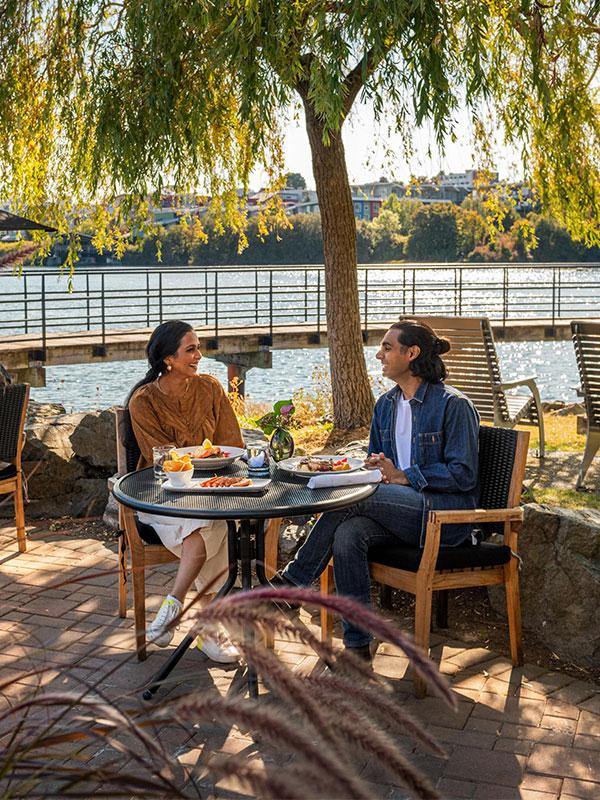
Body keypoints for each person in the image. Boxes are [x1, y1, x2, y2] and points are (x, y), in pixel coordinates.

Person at [274, 319, 480, 661]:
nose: (378, 355)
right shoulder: (385, 404)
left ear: (411, 353)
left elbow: (464, 474)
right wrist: (374, 468)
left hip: (442, 517)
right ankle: (357, 645)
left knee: (354, 498)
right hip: (398, 513)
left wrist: (405, 476)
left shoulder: (452, 405)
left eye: (387, 348)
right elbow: (377, 465)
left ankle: (292, 585)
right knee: (349, 533)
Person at [126, 319, 245, 662]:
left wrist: (218, 468)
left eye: (199, 348)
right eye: (190, 350)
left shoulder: (210, 388)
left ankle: (178, 612)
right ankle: (206, 628)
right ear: (168, 359)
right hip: (160, 496)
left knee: (213, 521)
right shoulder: (143, 401)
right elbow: (162, 461)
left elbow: (232, 443)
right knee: (210, 525)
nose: (199, 356)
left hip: (208, 492)